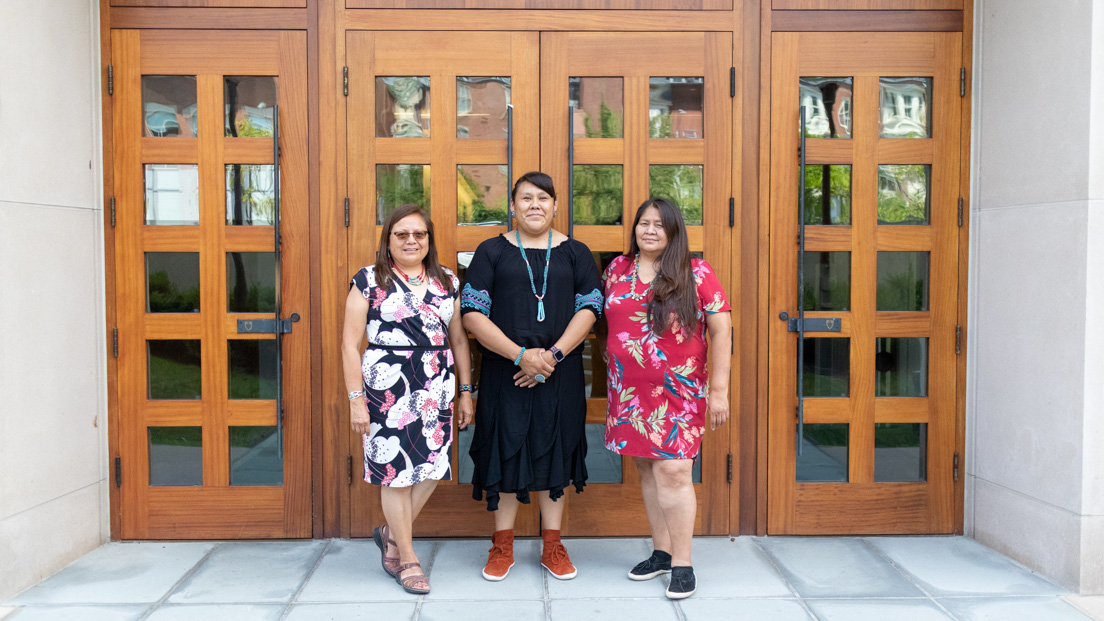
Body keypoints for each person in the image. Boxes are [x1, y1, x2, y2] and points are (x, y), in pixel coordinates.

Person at [460, 171, 603, 582]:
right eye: (526, 198)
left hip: (561, 373)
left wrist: (551, 357)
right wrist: (521, 356)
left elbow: (590, 310)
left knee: (555, 451)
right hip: (506, 373)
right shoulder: (491, 251)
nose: (535, 205)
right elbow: (471, 313)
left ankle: (552, 545)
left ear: (556, 205)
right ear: (513, 205)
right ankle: (501, 545)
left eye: (543, 198)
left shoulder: (576, 252)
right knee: (505, 452)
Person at [341, 204, 474, 595]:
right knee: (395, 472)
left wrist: (466, 391)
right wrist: (355, 399)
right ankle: (409, 558)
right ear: (389, 240)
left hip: (437, 384)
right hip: (387, 389)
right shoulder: (368, 280)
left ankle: (392, 536)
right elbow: (350, 344)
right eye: (402, 234)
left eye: (419, 234)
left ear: (429, 240)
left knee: (433, 468)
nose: (411, 240)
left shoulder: (447, 280)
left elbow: (459, 339)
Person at [602, 198, 731, 600]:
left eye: (660, 224)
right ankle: (661, 550)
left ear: (674, 231)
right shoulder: (616, 269)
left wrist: (719, 390)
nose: (650, 230)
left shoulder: (696, 272)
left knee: (674, 472)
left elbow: (722, 330)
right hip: (628, 391)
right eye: (644, 223)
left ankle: (683, 562)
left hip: (679, 393)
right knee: (646, 469)